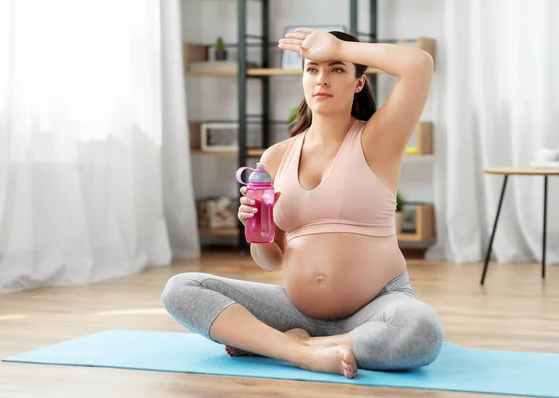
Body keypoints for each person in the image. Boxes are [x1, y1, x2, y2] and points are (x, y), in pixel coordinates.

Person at [161, 28, 443, 379]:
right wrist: (257, 234)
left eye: (337, 69)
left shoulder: (377, 139)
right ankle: (302, 352)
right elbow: (270, 262)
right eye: (312, 69)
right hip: (296, 309)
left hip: (376, 306)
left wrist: (340, 46)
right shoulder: (276, 157)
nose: (321, 79)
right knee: (182, 288)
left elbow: (419, 65)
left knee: (421, 329)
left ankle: (282, 345)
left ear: (358, 83)